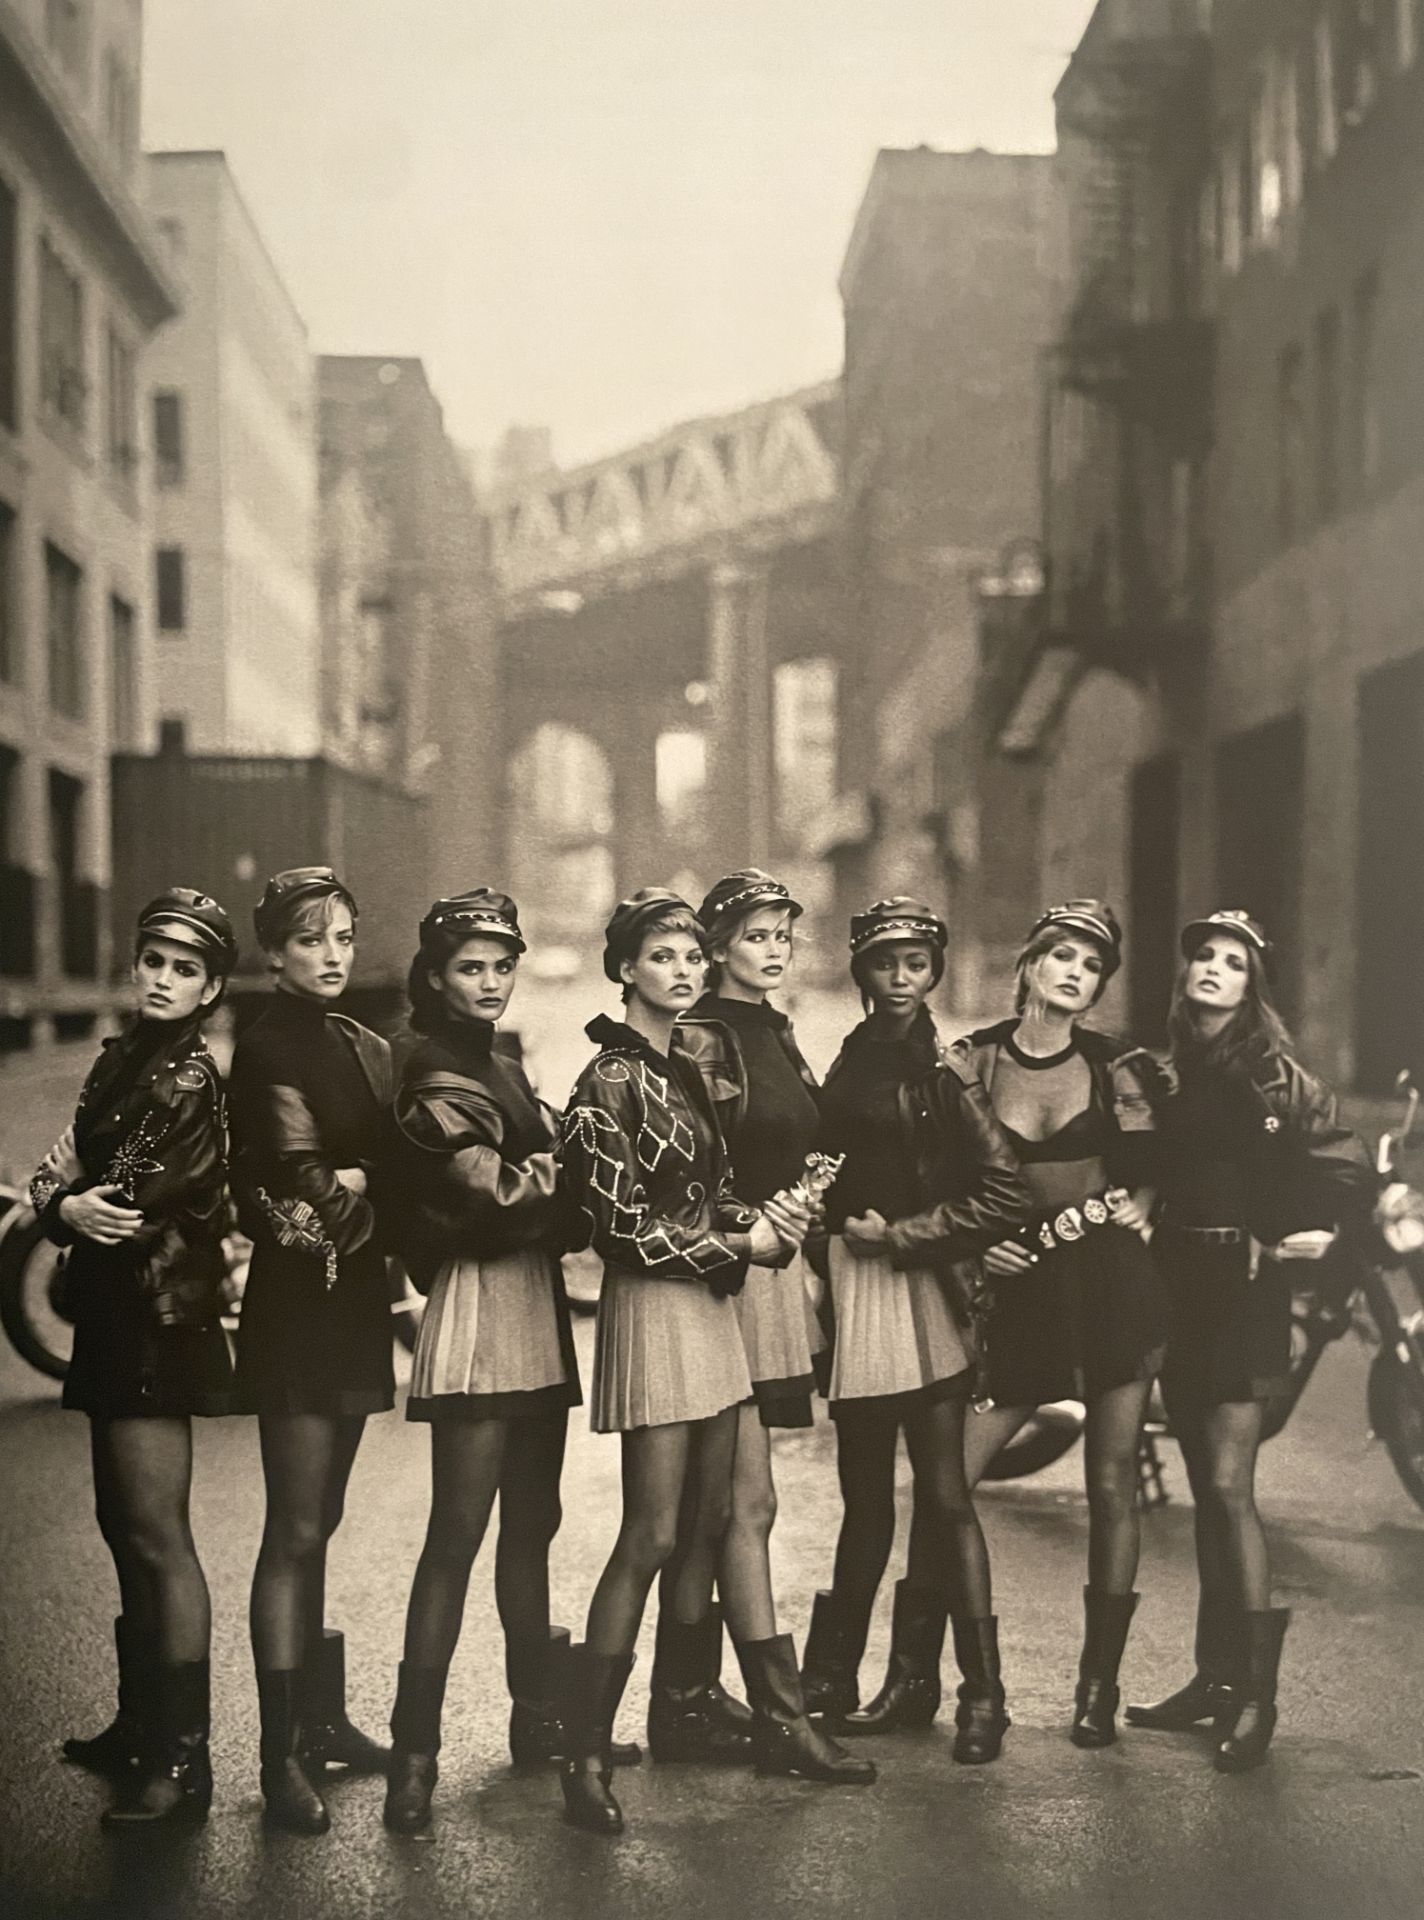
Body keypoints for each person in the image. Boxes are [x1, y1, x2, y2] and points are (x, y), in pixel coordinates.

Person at [557, 890, 871, 1838]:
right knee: (650, 1536)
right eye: (664, 957)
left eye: (694, 956)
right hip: (657, 1311)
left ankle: (783, 1718)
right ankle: (583, 1754)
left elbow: (713, 1191)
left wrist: (758, 1223)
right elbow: (617, 1232)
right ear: (626, 971)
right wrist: (740, 1248)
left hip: (710, 1309)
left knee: (737, 1504)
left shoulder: (683, 1068)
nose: (686, 970)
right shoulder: (606, 1079)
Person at [1125, 911, 1374, 1771]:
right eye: (1204, 956)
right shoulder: (1162, 1069)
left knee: (1231, 1485)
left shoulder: (1275, 1075)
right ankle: (1213, 1679)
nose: (1214, 970)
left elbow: (1345, 1168)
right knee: (1204, 1487)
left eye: (1234, 963)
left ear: (1251, 984)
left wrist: (1291, 1230)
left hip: (1245, 1290)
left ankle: (1258, 1700)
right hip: (1175, 1289)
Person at [800, 898, 1029, 1764]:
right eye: (886, 964)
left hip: (919, 1285)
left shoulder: (944, 1066)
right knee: (862, 1500)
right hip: (854, 1288)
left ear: (933, 972)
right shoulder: (852, 1054)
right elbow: (828, 1161)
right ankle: (830, 1683)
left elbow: (1004, 1191)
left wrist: (899, 1237)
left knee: (942, 1495)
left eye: (916, 965)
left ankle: (983, 1696)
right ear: (862, 970)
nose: (901, 979)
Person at [382, 891, 589, 1833]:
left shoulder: (500, 1056)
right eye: (472, 967)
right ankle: (412, 1750)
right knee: (457, 1535)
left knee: (533, 1523)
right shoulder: (426, 1067)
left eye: (503, 966)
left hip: (533, 1304)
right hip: (478, 1304)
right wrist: (580, 1169)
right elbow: (491, 1200)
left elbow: (525, 1188)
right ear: (435, 976)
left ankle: (535, 1716)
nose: (492, 983)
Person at [33, 888, 238, 1827]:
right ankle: (137, 1720)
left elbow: (114, 1198)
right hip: (117, 1317)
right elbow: (59, 1170)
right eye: (154, 961)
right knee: (122, 1527)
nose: (162, 980)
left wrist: (64, 1204)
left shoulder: (187, 1078)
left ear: (212, 987)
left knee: (161, 1539)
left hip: (160, 1318)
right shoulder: (121, 1060)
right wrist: (61, 1198)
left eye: (184, 969)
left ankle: (183, 1762)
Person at [953, 901, 1169, 1747]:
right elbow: (941, 1181)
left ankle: (1096, 1691)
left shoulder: (1120, 1069)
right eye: (1063, 957)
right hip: (1019, 1298)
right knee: (952, 1481)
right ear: (1032, 964)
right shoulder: (973, 1064)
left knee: (1112, 1485)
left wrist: (1140, 1206)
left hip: (1111, 1289)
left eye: (1092, 965)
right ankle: (982, 1690)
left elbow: (1154, 1173)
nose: (1076, 973)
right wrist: (975, 1256)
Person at [228, 867, 394, 1834]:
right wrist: (362, 1179)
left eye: (342, 935)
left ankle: (321, 1720)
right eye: (308, 939)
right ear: (274, 952)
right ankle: (277, 1752)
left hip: (356, 1303)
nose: (331, 955)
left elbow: (392, 1173)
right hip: (299, 1306)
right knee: (292, 1529)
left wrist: (364, 1177)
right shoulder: (265, 1048)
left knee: (321, 1520)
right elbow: (300, 1188)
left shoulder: (356, 1041)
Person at [665, 868, 827, 1762]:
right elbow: (693, 1167)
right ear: (719, 946)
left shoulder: (774, 1030)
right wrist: (757, 1221)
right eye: (758, 937)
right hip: (725, 1274)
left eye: (783, 936)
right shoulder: (703, 1038)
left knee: (719, 1506)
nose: (773, 951)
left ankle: (688, 1700)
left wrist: (809, 1204)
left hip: (771, 1275)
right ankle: (779, 1714)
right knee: (740, 1502)